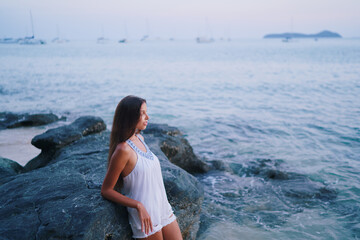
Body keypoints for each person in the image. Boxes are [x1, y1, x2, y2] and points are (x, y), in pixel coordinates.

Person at [101, 95, 183, 240]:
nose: (148, 117)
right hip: (146, 217)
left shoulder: (140, 138)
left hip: (163, 208)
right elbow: (106, 190)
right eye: (142, 113)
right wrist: (138, 205)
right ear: (130, 117)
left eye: (146, 112)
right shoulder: (123, 150)